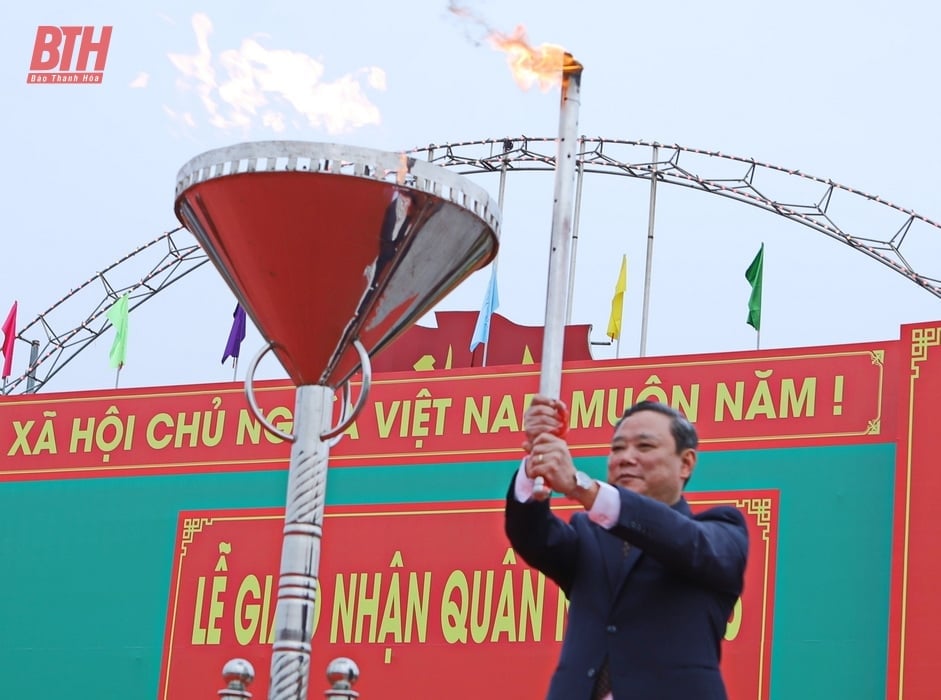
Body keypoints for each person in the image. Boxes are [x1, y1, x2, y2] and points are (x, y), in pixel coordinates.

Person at [505, 395, 748, 700]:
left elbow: (682, 540)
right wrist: (535, 465)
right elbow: (531, 535)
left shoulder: (721, 532)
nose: (625, 458)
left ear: (685, 463)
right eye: (617, 448)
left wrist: (583, 488)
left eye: (644, 446)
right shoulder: (588, 536)